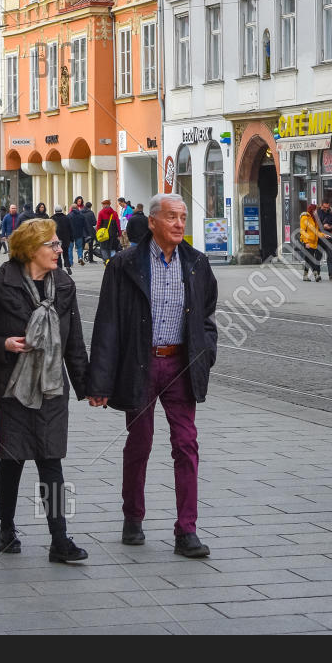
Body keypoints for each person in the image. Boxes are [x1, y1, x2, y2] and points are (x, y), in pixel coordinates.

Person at [88, 194, 219, 557]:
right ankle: (133, 517)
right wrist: (98, 381)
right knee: (139, 443)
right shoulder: (124, 264)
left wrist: (205, 354)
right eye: (172, 217)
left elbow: (207, 317)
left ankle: (186, 531)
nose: (179, 224)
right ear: (153, 222)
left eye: (183, 217)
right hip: (141, 365)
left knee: (186, 444)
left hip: (180, 365)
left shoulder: (196, 263)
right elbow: (108, 323)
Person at [0, 217, 95, 563]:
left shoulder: (64, 286)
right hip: (12, 389)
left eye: (57, 244)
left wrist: (88, 387)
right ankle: (7, 527)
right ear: (30, 250)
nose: (58, 249)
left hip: (52, 388)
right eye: (51, 244)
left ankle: (59, 539)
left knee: (51, 463)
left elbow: (75, 344)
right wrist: (2, 343)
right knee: (12, 461)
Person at [299, 202, 324, 282]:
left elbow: (316, 231)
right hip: (307, 242)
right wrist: (306, 242)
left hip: (313, 242)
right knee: (311, 258)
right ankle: (316, 274)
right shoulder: (305, 218)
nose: (316, 211)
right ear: (312, 210)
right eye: (315, 210)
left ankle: (305, 276)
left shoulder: (314, 218)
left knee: (308, 259)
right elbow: (302, 231)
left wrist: (323, 235)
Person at [317, 200, 332, 281]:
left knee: (330, 257)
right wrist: (323, 226)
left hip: (329, 238)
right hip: (320, 238)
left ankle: (331, 275)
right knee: (318, 257)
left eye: (327, 207)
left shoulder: (331, 214)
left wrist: (330, 227)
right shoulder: (317, 213)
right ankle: (317, 274)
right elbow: (315, 226)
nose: (326, 209)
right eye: (324, 207)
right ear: (321, 206)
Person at [52, 207, 75, 271]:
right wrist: (71, 238)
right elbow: (71, 229)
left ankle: (60, 268)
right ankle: (67, 265)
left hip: (55, 239)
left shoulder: (52, 218)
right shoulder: (67, 218)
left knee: (57, 254)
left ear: (55, 211)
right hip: (66, 239)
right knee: (65, 253)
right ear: (61, 210)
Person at [70, 197, 90, 263]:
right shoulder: (81, 216)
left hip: (71, 234)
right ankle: (80, 257)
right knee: (80, 247)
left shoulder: (68, 216)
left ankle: (70, 261)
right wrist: (87, 233)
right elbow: (85, 225)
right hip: (79, 233)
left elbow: (67, 225)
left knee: (70, 248)